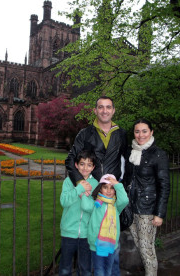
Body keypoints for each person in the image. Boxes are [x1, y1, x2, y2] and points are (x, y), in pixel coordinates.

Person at [65, 95, 128, 275]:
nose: (105, 110)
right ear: (95, 110)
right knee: (87, 239)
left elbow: (129, 162)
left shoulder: (121, 134)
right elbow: (71, 159)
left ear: (113, 110)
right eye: (101, 107)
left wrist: (124, 185)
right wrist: (80, 181)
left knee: (113, 246)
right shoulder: (85, 133)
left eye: (108, 107)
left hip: (111, 194)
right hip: (92, 193)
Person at [123, 118, 170, 276]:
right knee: (141, 246)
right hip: (130, 207)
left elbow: (164, 185)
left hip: (147, 209)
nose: (140, 135)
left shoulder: (159, 154)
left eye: (144, 131)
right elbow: (127, 179)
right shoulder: (131, 152)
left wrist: (159, 213)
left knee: (146, 249)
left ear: (151, 132)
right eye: (137, 131)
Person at [59, 150, 99, 276]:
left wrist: (84, 197)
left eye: (89, 165)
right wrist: (79, 189)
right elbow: (64, 202)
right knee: (65, 268)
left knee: (85, 269)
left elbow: (93, 208)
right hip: (68, 232)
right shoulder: (68, 181)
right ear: (76, 165)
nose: (85, 168)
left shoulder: (96, 184)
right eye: (82, 164)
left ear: (93, 167)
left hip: (86, 235)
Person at [81, 174, 129, 276]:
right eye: (105, 187)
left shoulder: (116, 205)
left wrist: (117, 184)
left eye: (112, 188)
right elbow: (85, 206)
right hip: (96, 244)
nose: (108, 191)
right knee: (99, 270)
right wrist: (84, 195)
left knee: (108, 269)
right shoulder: (95, 204)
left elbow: (125, 200)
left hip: (111, 244)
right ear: (100, 189)